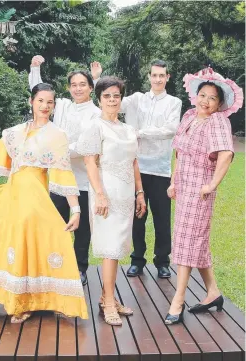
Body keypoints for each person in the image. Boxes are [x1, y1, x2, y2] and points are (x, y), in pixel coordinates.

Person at [0, 83, 88, 323]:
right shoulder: (14, 133)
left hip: (35, 198)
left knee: (29, 244)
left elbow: (64, 173)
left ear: (54, 106)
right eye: (41, 101)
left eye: (50, 102)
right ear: (31, 102)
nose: (45, 106)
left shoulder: (57, 136)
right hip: (11, 194)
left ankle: (25, 302)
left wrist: (75, 209)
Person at [164, 67, 243, 325]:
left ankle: (178, 298)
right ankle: (213, 292)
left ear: (220, 104)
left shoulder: (218, 121)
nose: (206, 101)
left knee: (188, 241)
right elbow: (179, 152)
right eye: (203, 95)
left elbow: (226, 154)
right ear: (195, 95)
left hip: (200, 189)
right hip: (184, 185)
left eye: (212, 98)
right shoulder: (188, 116)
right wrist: (174, 181)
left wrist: (211, 184)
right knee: (194, 241)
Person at [93, 60, 182, 278]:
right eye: (154, 75)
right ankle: (137, 259)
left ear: (168, 77)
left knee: (162, 219)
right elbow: (110, 102)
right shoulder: (136, 100)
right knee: (137, 218)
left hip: (160, 168)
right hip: (135, 166)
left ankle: (162, 261)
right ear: (149, 76)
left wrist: (139, 132)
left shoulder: (174, 102)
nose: (158, 79)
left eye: (162, 75)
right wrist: (96, 78)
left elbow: (171, 129)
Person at [76, 76, 146, 326]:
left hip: (127, 195)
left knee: (117, 250)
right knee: (110, 247)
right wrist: (100, 194)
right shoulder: (95, 127)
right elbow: (89, 163)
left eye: (116, 95)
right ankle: (107, 302)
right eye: (107, 96)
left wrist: (140, 193)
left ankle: (109, 296)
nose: (113, 100)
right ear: (99, 99)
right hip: (105, 194)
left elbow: (134, 162)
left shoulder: (128, 129)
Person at [29, 55, 101, 285]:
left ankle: (80, 268)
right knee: (55, 224)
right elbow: (39, 94)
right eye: (73, 85)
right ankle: (55, 264)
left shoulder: (96, 114)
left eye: (82, 84)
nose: (78, 88)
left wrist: (57, 151)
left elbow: (86, 146)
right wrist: (35, 68)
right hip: (58, 179)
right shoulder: (63, 106)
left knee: (83, 229)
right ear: (69, 88)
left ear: (91, 87)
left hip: (83, 178)